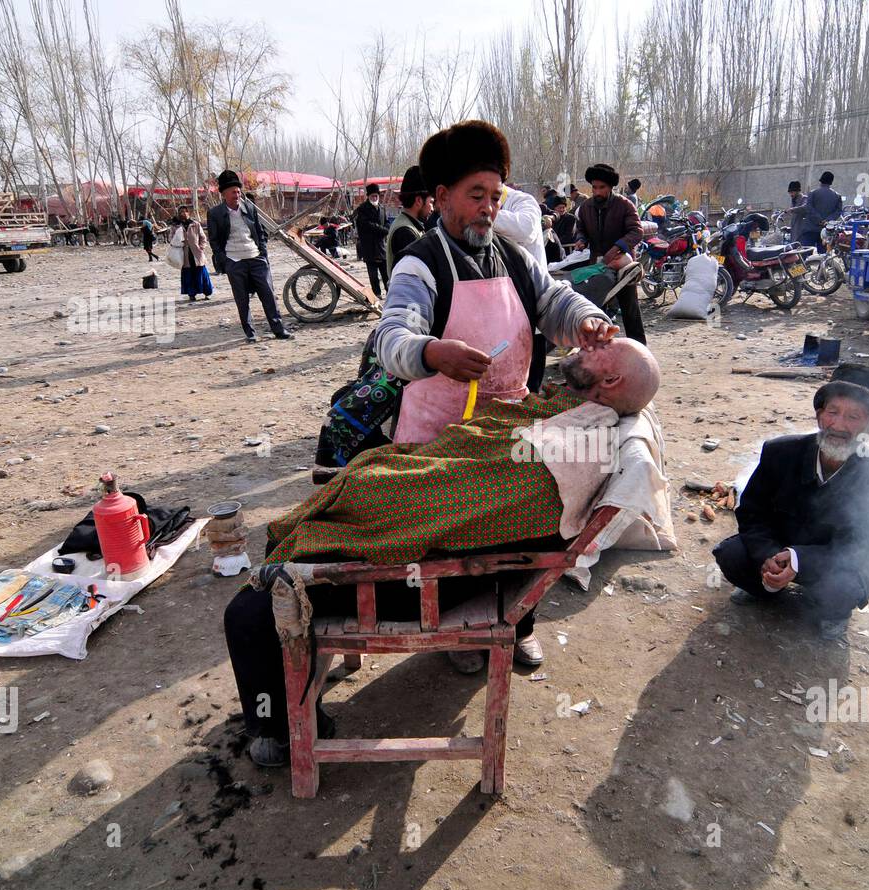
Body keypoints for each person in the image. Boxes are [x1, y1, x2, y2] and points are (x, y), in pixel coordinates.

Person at [224, 340, 661, 766]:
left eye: (602, 346)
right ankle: (289, 690)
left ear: (611, 377)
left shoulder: (559, 456)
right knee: (295, 540)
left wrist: (361, 485)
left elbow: (432, 508)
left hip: (419, 576)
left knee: (251, 612)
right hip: (432, 545)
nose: (588, 342)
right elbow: (454, 468)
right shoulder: (565, 420)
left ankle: (278, 730)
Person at [374, 119, 619, 460]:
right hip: (434, 446)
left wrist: (585, 320)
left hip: (506, 436)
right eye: (476, 196)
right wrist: (431, 353)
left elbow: (553, 300)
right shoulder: (420, 265)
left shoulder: (514, 258)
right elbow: (392, 337)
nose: (488, 208)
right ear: (443, 197)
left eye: (494, 197)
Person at [712, 364, 869, 641]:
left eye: (853, 416)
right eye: (832, 412)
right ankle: (765, 587)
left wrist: (800, 560)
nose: (838, 425)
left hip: (828, 567)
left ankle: (831, 611)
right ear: (819, 415)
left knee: (845, 585)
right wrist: (769, 555)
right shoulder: (780, 452)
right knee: (733, 555)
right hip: (775, 552)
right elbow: (752, 511)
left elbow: (868, 548)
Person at [207, 168, 292, 343]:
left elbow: (260, 233)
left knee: (268, 294)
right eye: (232, 192)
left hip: (255, 257)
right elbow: (214, 241)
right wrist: (224, 260)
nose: (236, 195)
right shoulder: (215, 214)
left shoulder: (249, 208)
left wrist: (263, 253)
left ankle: (278, 329)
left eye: (238, 191)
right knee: (242, 298)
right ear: (224, 194)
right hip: (234, 260)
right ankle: (250, 333)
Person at [574, 162, 646, 345]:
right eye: (594, 188)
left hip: (622, 264)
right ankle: (598, 351)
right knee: (595, 308)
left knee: (629, 308)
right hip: (597, 266)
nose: (597, 192)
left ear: (611, 187)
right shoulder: (586, 207)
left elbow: (636, 232)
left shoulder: (625, 205)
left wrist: (617, 248)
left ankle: (639, 347)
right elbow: (581, 229)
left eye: (602, 188)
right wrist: (581, 240)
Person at [385, 165, 432, 277]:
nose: (432, 208)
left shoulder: (409, 225)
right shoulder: (405, 233)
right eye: (431, 202)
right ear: (419, 201)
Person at [354, 182, 390, 297]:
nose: (375, 198)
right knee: (373, 275)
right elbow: (367, 225)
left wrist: (388, 229)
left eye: (376, 196)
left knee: (386, 273)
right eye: (372, 196)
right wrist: (384, 230)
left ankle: (390, 293)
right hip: (369, 247)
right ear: (368, 196)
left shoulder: (382, 208)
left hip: (382, 246)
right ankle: (377, 294)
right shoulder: (362, 209)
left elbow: (387, 222)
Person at [174, 205, 213, 302]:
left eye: (184, 211)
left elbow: (203, 238)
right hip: (184, 255)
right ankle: (192, 294)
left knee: (202, 274)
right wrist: (178, 242)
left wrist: (201, 247)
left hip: (197, 253)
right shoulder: (176, 226)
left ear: (188, 213)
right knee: (188, 275)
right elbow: (171, 238)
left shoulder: (195, 224)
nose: (182, 214)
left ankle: (207, 293)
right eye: (180, 212)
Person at [798, 171, 842, 251]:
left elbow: (809, 208)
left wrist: (819, 219)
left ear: (820, 181)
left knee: (805, 253)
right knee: (823, 256)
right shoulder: (837, 196)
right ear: (831, 182)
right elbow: (838, 211)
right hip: (826, 230)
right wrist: (827, 221)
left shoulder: (813, 193)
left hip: (810, 228)